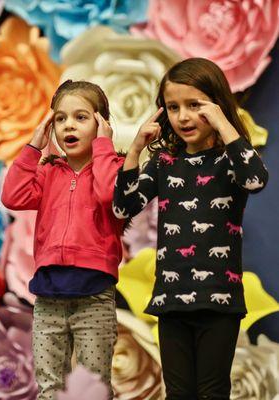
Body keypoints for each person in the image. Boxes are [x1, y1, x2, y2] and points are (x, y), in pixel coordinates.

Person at [113, 58, 269, 400]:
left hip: (220, 301)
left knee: (213, 391)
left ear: (216, 105)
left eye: (194, 105)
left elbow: (256, 179)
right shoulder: (164, 163)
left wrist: (225, 124)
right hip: (171, 301)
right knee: (179, 393)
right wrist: (136, 149)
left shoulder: (231, 160)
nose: (182, 116)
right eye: (173, 107)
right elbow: (123, 207)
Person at [1, 80, 124, 400]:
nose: (68, 124)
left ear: (101, 124)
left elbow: (108, 194)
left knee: (93, 385)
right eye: (60, 118)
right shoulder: (47, 172)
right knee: (49, 386)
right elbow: (12, 196)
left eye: (81, 117)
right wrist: (33, 147)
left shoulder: (113, 168)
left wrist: (103, 148)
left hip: (94, 294)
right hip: (48, 295)